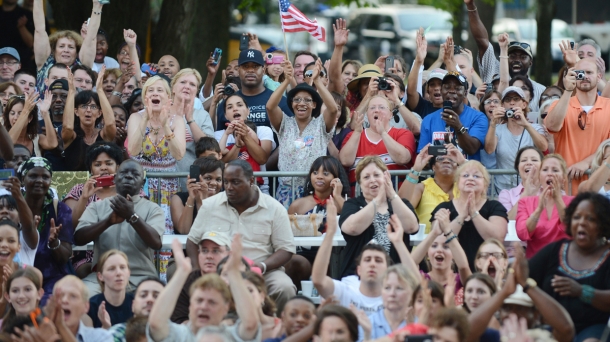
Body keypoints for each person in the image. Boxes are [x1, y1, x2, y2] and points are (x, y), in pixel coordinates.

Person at [187, 160, 297, 312]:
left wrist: (262, 266)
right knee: (182, 276)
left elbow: (286, 248)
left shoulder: (274, 208)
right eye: (226, 182)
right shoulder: (210, 205)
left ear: (251, 181)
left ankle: (274, 330)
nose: (229, 187)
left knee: (284, 288)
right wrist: (196, 270)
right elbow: (192, 240)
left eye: (236, 182)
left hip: (262, 271)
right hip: (219, 272)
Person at [74, 159, 165, 297]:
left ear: (143, 183)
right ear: (115, 179)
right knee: (81, 297)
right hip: (103, 278)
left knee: (155, 303)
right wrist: (108, 222)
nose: (129, 176)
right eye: (124, 173)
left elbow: (156, 243)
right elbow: (79, 238)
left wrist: (132, 216)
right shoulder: (98, 207)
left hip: (141, 277)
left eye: (135, 174)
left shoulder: (153, 209)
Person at [528, 192, 610, 342]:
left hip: (593, 329)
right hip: (551, 327)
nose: (582, 223)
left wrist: (581, 291)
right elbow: (524, 276)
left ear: (603, 224)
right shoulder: (554, 250)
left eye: (590, 218)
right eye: (577, 217)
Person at [147, 235, 260, 341]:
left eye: (212, 302)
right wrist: (181, 273)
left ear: (226, 308)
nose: (204, 307)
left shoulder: (231, 335)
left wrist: (233, 274)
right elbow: (156, 325)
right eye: (199, 300)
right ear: (190, 306)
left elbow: (250, 325)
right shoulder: (180, 335)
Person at [467, 242, 575, 342]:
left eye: (520, 308)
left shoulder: (544, 336)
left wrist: (527, 285)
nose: (513, 314)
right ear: (499, 312)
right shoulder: (495, 337)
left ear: (536, 315)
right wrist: (504, 292)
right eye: (507, 308)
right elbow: (467, 332)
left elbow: (567, 329)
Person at [267, 59, 338, 207]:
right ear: (292, 103)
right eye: (297, 99)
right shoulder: (285, 123)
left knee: (313, 229)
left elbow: (333, 109)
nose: (301, 103)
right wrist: (287, 81)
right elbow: (270, 106)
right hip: (285, 191)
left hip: (314, 190)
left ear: (314, 105)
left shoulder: (320, 124)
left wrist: (317, 81)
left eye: (307, 100)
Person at [339, 155, 420, 278]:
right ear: (360, 184)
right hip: (358, 277)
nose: (372, 180)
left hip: (397, 276)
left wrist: (391, 194)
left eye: (377, 175)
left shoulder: (400, 203)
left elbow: (412, 227)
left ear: (386, 177)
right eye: (366, 177)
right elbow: (351, 228)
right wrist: (377, 201)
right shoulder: (352, 204)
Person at [127, 75, 186, 234]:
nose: (155, 93)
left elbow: (179, 154)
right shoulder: (135, 117)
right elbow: (133, 150)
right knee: (140, 231)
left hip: (167, 186)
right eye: (150, 90)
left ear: (168, 97)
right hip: (142, 185)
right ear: (145, 97)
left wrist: (166, 126)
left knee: (163, 234)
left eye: (160, 90)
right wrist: (145, 118)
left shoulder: (177, 120)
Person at [466, 0, 545, 112]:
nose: (517, 60)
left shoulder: (540, 90)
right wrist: (471, 6)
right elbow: (482, 41)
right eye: (512, 56)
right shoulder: (493, 70)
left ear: (531, 62)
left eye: (523, 57)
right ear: (505, 58)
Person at [545, 58, 610, 193]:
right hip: (565, 188)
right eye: (580, 73)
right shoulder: (559, 104)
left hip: (600, 190)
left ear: (599, 77)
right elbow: (552, 126)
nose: (585, 76)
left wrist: (586, 163)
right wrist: (568, 90)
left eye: (589, 72)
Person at [314, 199, 389, 314]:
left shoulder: (394, 295)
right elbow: (319, 281)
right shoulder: (347, 289)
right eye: (367, 260)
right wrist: (330, 233)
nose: (372, 264)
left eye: (378, 260)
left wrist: (398, 242)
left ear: (387, 269)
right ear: (358, 269)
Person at [430, 160, 508, 271]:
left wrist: (474, 213)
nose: (470, 178)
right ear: (457, 182)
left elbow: (497, 238)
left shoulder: (494, 206)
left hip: (486, 270)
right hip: (451, 271)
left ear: (485, 184)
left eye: (476, 176)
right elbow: (438, 241)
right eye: (466, 175)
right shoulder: (444, 207)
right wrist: (461, 217)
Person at [286, 156, 349, 286]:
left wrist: (337, 195)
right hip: (305, 255)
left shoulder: (343, 203)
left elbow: (351, 219)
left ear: (336, 178)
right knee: (295, 262)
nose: (319, 176)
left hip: (335, 255)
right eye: (315, 173)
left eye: (325, 173)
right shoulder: (298, 205)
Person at [19, 157, 73, 305]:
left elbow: (65, 257)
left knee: (48, 306)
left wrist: (54, 243)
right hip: (17, 276)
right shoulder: (12, 207)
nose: (39, 181)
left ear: (50, 180)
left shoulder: (60, 210)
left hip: (52, 278)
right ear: (23, 178)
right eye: (33, 176)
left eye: (45, 177)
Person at [340, 95, 416, 190]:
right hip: (361, 199)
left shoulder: (403, 133)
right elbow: (345, 161)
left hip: (394, 198)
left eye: (381, 107)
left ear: (390, 115)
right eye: (372, 108)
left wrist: (383, 133)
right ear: (367, 114)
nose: (376, 110)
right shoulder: (353, 135)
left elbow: (403, 159)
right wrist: (357, 133)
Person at [485, 86, 548, 193]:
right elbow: (489, 149)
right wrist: (493, 123)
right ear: (502, 105)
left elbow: (543, 147)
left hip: (531, 189)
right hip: (503, 190)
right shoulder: (498, 130)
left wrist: (526, 125)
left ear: (524, 104)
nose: (512, 103)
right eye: (508, 100)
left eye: (516, 99)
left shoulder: (536, 128)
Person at [418, 71, 489, 162]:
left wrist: (458, 127)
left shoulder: (478, 117)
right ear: (441, 91)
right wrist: (442, 154)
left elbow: (472, 149)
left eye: (458, 88)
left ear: (465, 93)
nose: (451, 91)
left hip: (465, 174)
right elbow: (422, 159)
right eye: (447, 87)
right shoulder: (428, 120)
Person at [214, 49, 293, 131]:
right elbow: (220, 137)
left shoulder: (281, 102)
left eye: (255, 66)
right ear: (239, 70)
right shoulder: (226, 104)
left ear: (263, 70)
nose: (250, 70)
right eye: (245, 66)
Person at [32, 0, 100, 93]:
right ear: (53, 50)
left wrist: (97, 6)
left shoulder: (81, 66)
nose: (66, 50)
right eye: (61, 46)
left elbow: (91, 38)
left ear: (77, 52)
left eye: (71, 47)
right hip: (45, 107)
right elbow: (39, 30)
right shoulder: (45, 63)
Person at [516, 154, 574, 258]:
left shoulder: (573, 202)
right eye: (545, 170)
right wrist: (538, 210)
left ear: (563, 179)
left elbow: (572, 230)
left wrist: (557, 199)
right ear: (539, 176)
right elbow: (521, 233)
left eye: (555, 170)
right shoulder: (525, 202)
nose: (550, 174)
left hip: (563, 263)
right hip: (535, 263)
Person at [398, 143, 464, 233]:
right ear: (433, 167)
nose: (446, 161)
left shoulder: (464, 189)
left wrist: (464, 163)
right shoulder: (422, 188)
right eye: (440, 159)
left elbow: (481, 193)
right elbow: (401, 206)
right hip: (427, 244)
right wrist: (416, 169)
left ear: (458, 167)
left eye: (451, 159)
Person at [215, 94, 274, 194]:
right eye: (230, 107)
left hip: (259, 189)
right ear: (225, 115)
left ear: (248, 110)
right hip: (231, 189)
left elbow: (262, 158)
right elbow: (221, 161)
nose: (235, 109)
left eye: (239, 105)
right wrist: (237, 145)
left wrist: (245, 134)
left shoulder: (263, 130)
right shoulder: (220, 135)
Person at [63, 67, 117, 171]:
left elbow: (110, 124)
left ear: (99, 113)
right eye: (83, 106)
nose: (88, 110)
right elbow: (67, 127)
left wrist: (100, 90)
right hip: (73, 185)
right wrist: (71, 91)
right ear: (76, 112)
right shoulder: (71, 136)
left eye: (93, 107)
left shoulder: (104, 135)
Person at [171, 230, 231, 324]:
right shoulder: (186, 281)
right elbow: (178, 321)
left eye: (215, 251)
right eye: (204, 250)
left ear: (229, 255)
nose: (209, 256)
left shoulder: (236, 282)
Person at [171, 68, 215, 184]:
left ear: (196, 91)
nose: (187, 86)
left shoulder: (202, 115)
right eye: (183, 82)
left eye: (192, 84)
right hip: (161, 177)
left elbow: (210, 149)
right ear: (173, 88)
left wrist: (190, 120)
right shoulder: (161, 112)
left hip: (190, 180)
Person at [358, 265, 419, 341]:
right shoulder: (367, 324)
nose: (392, 293)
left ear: (413, 293)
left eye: (399, 288)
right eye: (387, 288)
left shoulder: (421, 323)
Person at [48, 275, 114, 341]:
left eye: (73, 296)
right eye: (60, 295)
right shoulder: (41, 335)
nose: (64, 300)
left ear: (86, 306)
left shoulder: (101, 337)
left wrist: (61, 327)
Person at [171, 156, 223, 234]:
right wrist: (191, 198)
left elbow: (208, 232)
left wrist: (204, 200)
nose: (214, 183)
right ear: (196, 179)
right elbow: (184, 231)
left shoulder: (224, 201)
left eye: (218, 179)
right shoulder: (178, 199)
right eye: (208, 178)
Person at [108, 276, 165, 342]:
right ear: (133, 305)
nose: (150, 299)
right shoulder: (117, 333)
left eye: (156, 296)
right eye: (143, 295)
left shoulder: (177, 335)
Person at [406, 31, 449, 117]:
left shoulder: (456, 109)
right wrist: (418, 61)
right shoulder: (422, 107)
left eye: (441, 84)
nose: (436, 88)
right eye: (432, 85)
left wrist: (450, 61)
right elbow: (411, 91)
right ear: (428, 91)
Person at [87, 250, 134, 328]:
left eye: (122, 267)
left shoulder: (137, 304)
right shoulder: (90, 307)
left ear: (129, 273)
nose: (119, 273)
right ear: (100, 276)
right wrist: (105, 327)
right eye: (111, 269)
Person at [5, 91, 57, 157]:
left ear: (30, 118)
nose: (15, 117)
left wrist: (45, 113)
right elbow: (9, 143)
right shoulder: (2, 137)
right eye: (12, 113)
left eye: (20, 113)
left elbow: (52, 144)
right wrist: (26, 111)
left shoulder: (36, 139)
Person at [498, 146, 544, 220]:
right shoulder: (506, 195)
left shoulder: (551, 192)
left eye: (534, 160)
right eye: (524, 160)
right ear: (518, 167)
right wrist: (526, 193)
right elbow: (507, 221)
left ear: (542, 166)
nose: (529, 163)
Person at [0, 268, 44, 333]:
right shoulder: (2, 327)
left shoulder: (49, 326)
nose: (21, 296)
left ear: (39, 294)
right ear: (8, 296)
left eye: (27, 289)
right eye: (15, 291)